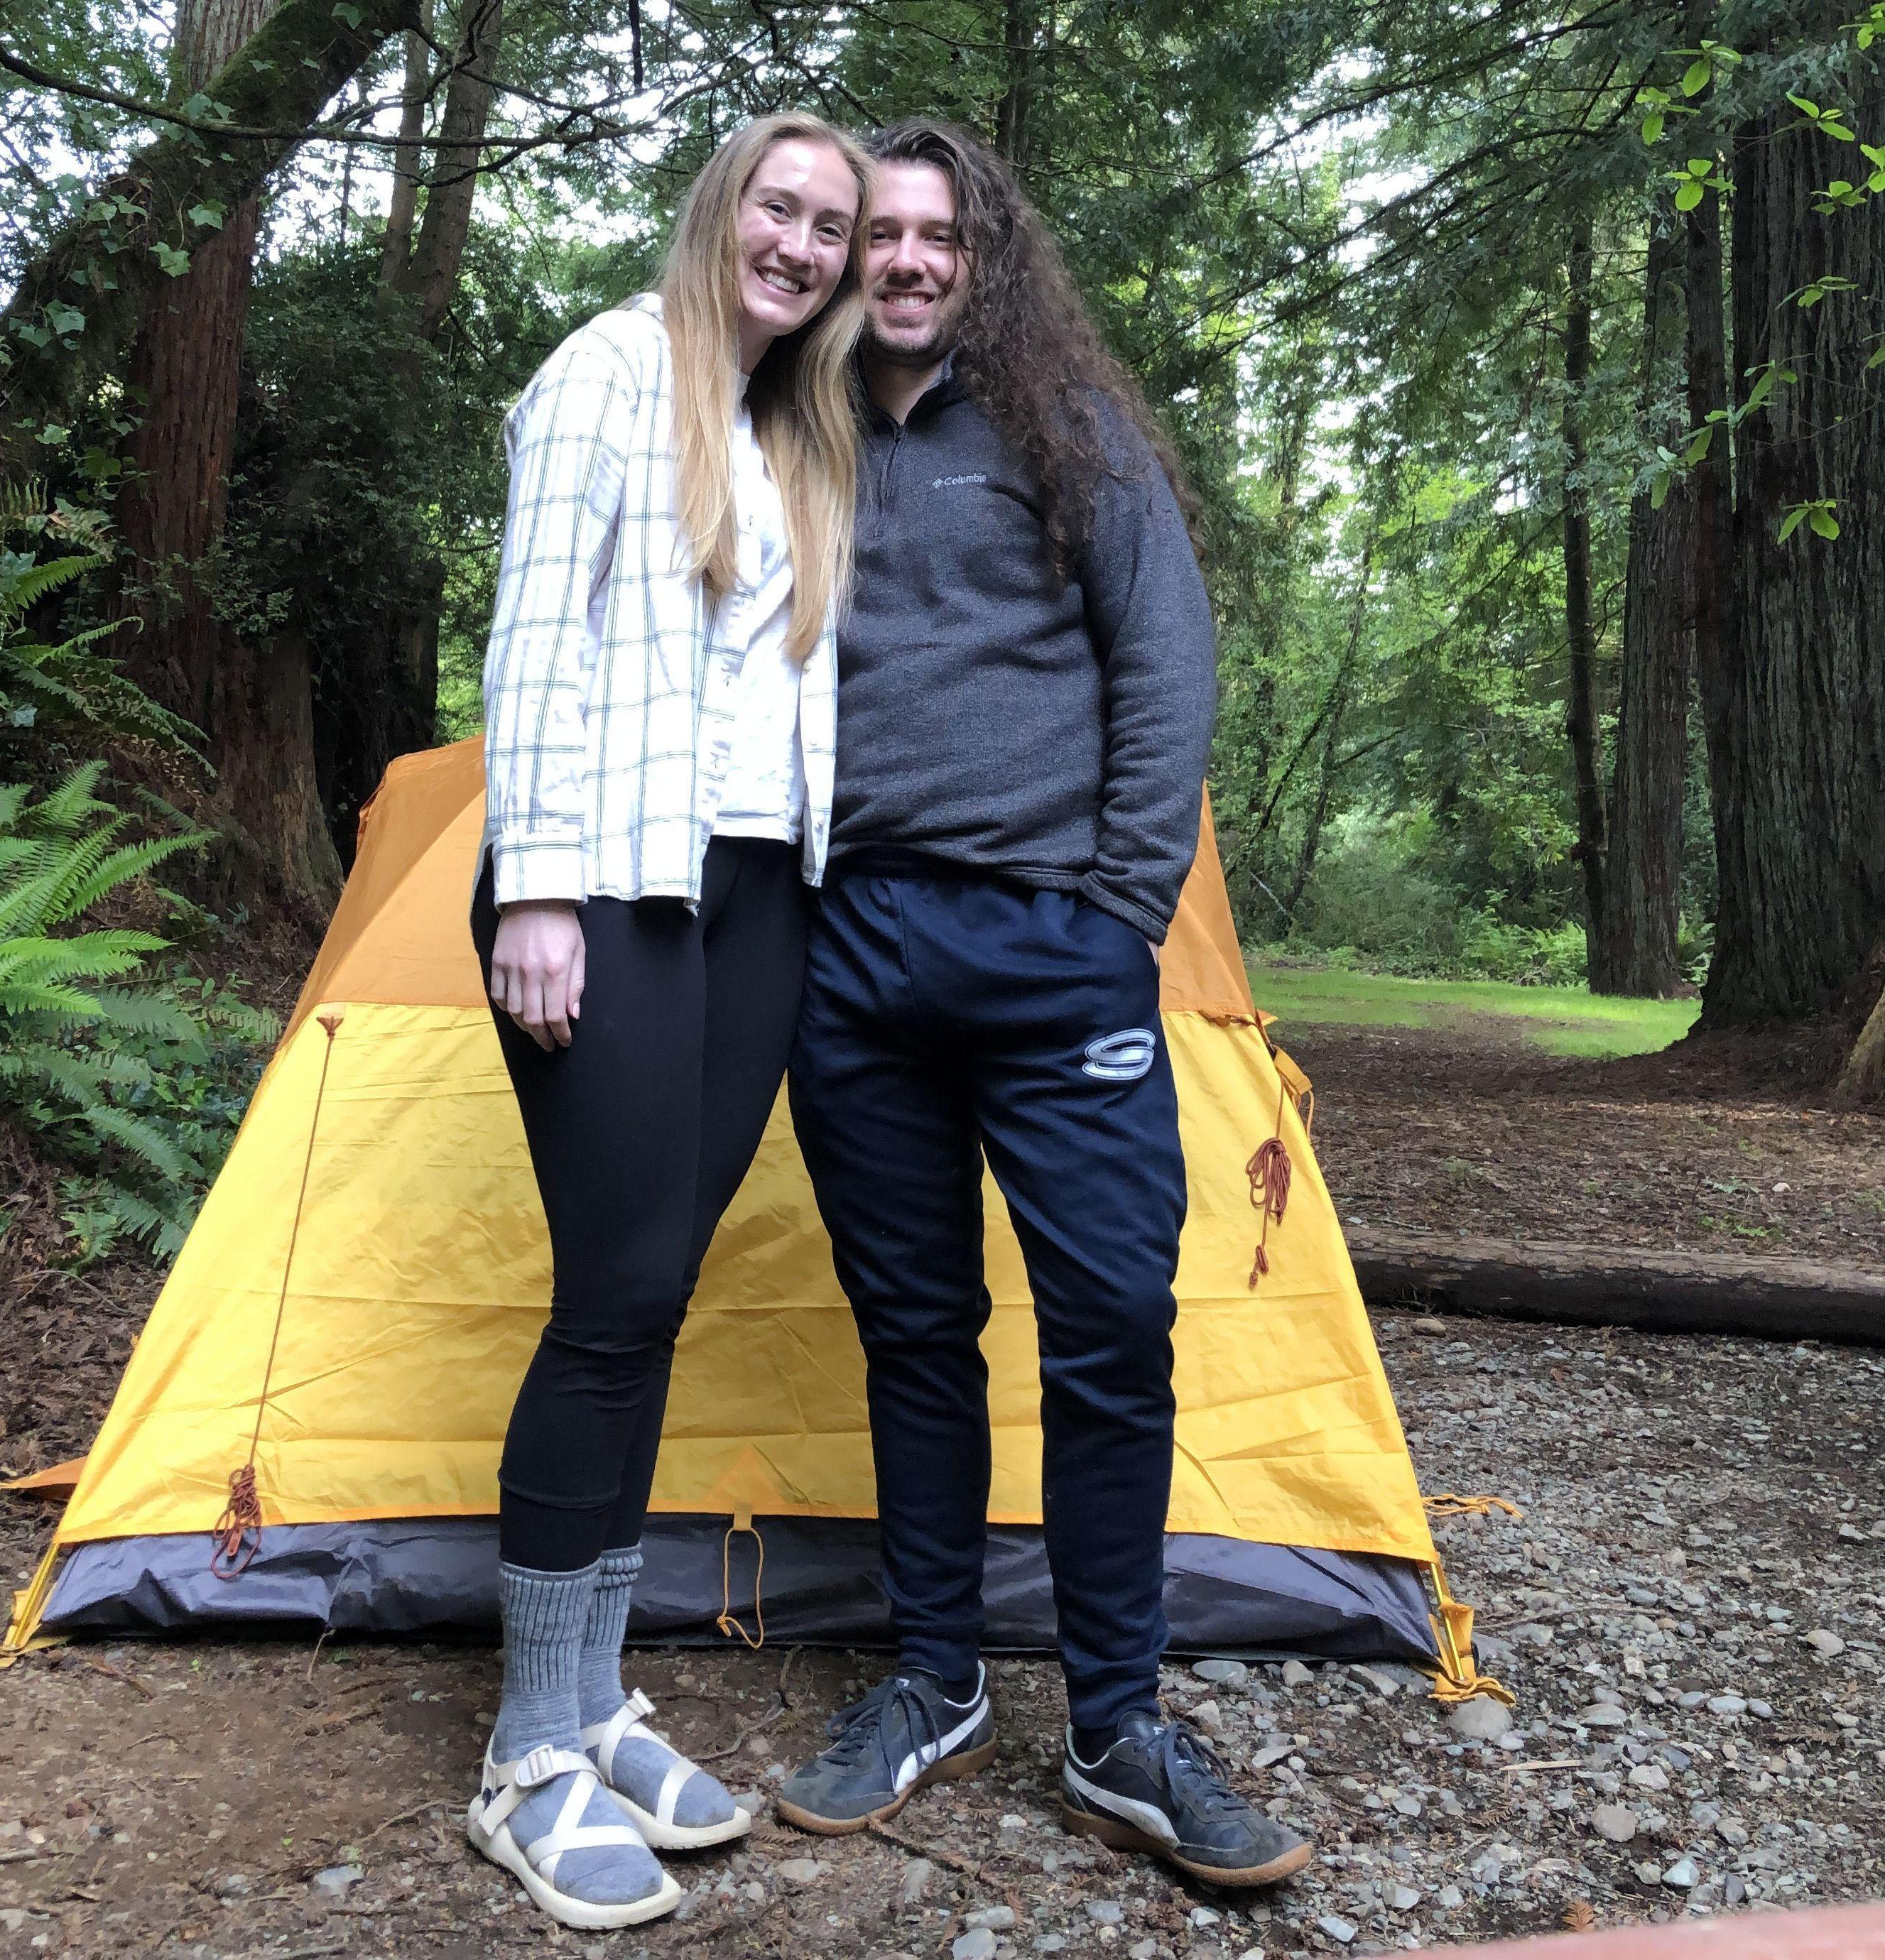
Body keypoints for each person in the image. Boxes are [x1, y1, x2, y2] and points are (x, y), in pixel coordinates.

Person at [774, 119, 1313, 1890]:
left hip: (1054, 952)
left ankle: (1117, 1723)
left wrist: (1117, 920)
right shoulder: (799, 432)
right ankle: (932, 1679)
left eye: (942, 239)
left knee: (1107, 1333)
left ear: (986, 262)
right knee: (913, 1329)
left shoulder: (1075, 431)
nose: (911, 265)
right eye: (884, 241)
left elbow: (1171, 665)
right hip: (851, 953)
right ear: (851, 264)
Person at [467, 113, 872, 1931]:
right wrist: (535, 881)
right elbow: (533, 635)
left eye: (830, 228)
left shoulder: (802, 435)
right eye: (778, 207)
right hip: (608, 887)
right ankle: (524, 1758)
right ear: (724, 210)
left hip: (755, 900)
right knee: (615, 1295)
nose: (798, 243)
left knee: (659, 1293)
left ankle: (588, 1694)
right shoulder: (609, 371)